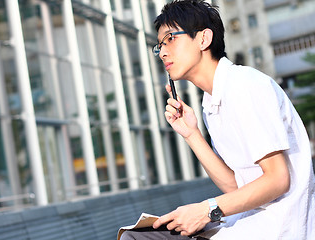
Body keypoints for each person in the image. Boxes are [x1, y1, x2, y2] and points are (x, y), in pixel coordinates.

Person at [120, 0, 315, 239]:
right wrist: (192, 135)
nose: (162, 52)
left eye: (171, 39)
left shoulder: (244, 85)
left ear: (203, 39)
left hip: (277, 229)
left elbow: (277, 179)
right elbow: (237, 188)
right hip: (247, 225)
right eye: (159, 45)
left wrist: (207, 209)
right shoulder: (213, 102)